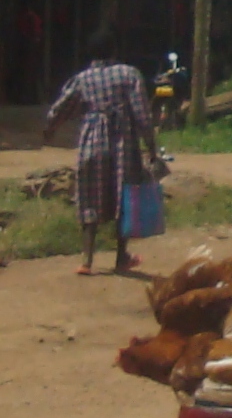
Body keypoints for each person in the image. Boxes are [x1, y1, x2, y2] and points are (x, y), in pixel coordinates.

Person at [42, 29, 156, 276]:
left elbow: (61, 107)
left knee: (89, 194)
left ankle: (87, 260)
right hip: (122, 141)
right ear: (114, 50)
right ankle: (121, 257)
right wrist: (151, 146)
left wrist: (49, 129)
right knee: (122, 194)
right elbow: (142, 115)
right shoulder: (129, 75)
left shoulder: (82, 79)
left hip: (91, 140)